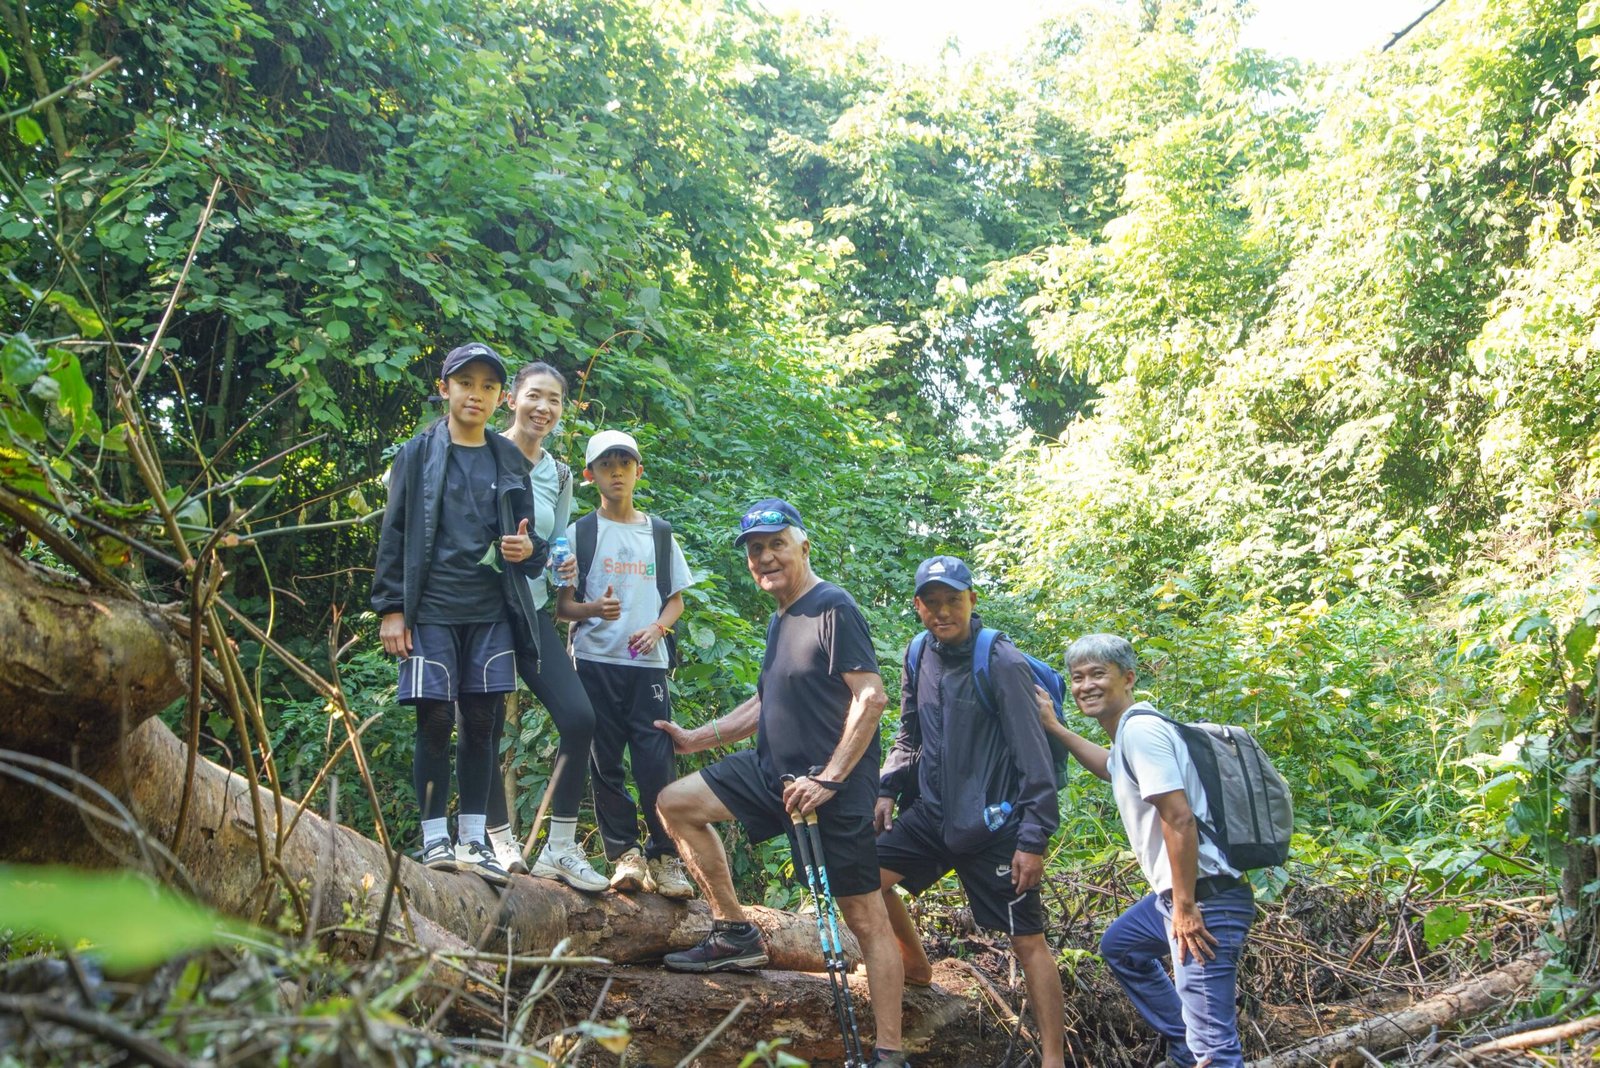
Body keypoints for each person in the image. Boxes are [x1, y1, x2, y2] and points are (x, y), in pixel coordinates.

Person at [654, 498, 910, 1068]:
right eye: (755, 549)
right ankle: (734, 931)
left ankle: (890, 1052)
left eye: (776, 544)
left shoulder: (832, 606)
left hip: (831, 789)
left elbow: (871, 697)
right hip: (773, 773)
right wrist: (696, 739)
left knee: (864, 917)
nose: (765, 557)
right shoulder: (781, 617)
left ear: (803, 547)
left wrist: (831, 778)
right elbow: (765, 702)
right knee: (676, 803)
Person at [875, 556, 1066, 1068]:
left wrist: (1033, 840)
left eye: (953, 601)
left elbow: (1034, 760)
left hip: (993, 827)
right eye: (932, 602)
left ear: (972, 600)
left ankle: (1054, 1058)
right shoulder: (917, 652)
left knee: (1027, 941)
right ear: (918, 607)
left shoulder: (1001, 662)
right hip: (932, 816)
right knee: (863, 878)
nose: (943, 612)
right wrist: (888, 788)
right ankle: (916, 966)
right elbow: (909, 732)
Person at [371, 342, 546, 885]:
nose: (476, 394)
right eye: (466, 383)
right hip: (431, 610)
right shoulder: (417, 453)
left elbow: (530, 544)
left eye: (488, 386)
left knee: (482, 723)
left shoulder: (509, 458)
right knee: (435, 720)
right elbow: (394, 531)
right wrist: (391, 609)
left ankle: (474, 840)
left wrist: (529, 550)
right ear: (444, 388)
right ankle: (433, 839)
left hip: (491, 611)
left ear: (500, 397)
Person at [1038, 633, 1256, 1068]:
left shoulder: (1141, 732)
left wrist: (1186, 907)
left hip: (1205, 900)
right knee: (1122, 946)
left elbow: (1179, 818)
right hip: (1180, 898)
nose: (1086, 686)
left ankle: (1197, 1050)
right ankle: (1184, 1046)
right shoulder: (1132, 733)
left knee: (1216, 1048)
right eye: (1077, 677)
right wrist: (1056, 729)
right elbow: (1111, 767)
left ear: (1128, 677)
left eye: (1098, 674)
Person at [556, 430, 695, 898]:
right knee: (605, 761)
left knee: (655, 761)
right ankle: (625, 855)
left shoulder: (658, 533)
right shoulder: (579, 533)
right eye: (606, 465)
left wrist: (657, 628)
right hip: (594, 661)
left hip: (647, 665)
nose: (616, 472)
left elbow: (675, 601)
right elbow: (563, 608)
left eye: (624, 464)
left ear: (639, 471)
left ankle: (665, 856)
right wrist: (595, 609)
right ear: (589, 474)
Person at [492, 362, 607, 892]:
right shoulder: (482, 452)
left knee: (579, 718)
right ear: (512, 399)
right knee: (484, 723)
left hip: (533, 610)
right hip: (484, 611)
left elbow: (558, 537)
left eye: (554, 399)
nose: (543, 408)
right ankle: (496, 840)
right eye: (534, 396)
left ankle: (559, 848)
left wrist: (564, 566)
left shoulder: (558, 474)